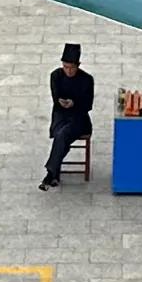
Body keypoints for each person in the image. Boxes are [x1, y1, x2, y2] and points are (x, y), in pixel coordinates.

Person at [39, 40, 95, 188]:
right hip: (61, 115)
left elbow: (88, 105)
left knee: (62, 135)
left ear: (78, 66)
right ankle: (52, 174)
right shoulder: (56, 76)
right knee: (61, 135)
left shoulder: (87, 80)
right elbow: (55, 97)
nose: (68, 70)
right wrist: (62, 102)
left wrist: (74, 103)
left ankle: (51, 174)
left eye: (71, 67)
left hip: (79, 118)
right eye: (65, 67)